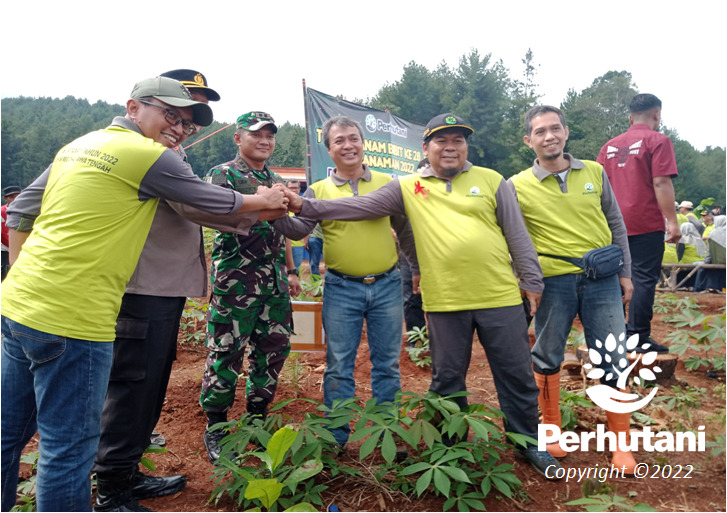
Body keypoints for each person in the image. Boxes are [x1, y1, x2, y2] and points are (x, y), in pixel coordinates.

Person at [0, 77, 287, 512]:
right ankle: (113, 491)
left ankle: (122, 477)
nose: (180, 126)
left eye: (189, 121)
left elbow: (20, 212)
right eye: (173, 113)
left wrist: (23, 279)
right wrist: (262, 200)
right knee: (69, 448)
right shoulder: (150, 155)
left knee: (10, 433)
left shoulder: (81, 145)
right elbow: (203, 202)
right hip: (83, 312)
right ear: (134, 108)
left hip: (20, 305)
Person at [283, 113, 562, 478]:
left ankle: (527, 443)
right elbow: (359, 207)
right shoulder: (408, 186)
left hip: (499, 296)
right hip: (443, 300)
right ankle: (450, 446)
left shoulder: (491, 180)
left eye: (458, 140)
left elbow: (517, 233)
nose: (450, 147)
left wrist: (532, 280)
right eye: (441, 141)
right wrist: (300, 205)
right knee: (447, 379)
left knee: (515, 374)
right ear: (425, 147)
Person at [274, 116, 414, 449]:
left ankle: (385, 433)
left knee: (387, 362)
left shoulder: (388, 183)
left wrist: (417, 267)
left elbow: (405, 230)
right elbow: (298, 231)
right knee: (339, 364)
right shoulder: (317, 191)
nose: (348, 145)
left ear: (363, 144)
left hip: (387, 285)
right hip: (341, 288)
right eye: (339, 141)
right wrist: (276, 209)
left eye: (354, 138)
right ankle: (336, 437)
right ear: (329, 150)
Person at [510, 105, 637, 474]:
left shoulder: (595, 172)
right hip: (553, 282)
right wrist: (526, 281)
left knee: (613, 356)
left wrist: (626, 273)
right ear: (528, 140)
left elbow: (616, 223)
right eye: (540, 132)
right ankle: (551, 429)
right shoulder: (517, 185)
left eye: (555, 129)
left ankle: (621, 444)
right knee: (547, 354)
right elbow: (514, 238)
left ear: (566, 132)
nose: (549, 136)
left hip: (603, 281)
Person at [200, 111, 301, 464]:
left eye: (270, 135)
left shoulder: (276, 179)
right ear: (238, 137)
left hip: (272, 284)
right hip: (235, 283)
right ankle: (216, 426)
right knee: (226, 353)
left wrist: (291, 271)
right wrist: (263, 203)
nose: (265, 140)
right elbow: (216, 216)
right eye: (257, 133)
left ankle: (257, 419)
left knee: (272, 351)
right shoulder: (222, 174)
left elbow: (285, 228)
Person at [597, 94, 680, 354]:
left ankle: (612, 334)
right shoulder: (658, 140)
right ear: (657, 115)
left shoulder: (609, 146)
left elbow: (599, 187)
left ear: (630, 117)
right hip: (644, 221)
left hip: (610, 222)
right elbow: (661, 182)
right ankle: (638, 335)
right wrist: (673, 221)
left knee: (612, 277)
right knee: (643, 278)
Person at [1, 185, 22, 281]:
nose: (15, 199)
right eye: (12, 197)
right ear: (5, 198)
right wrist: (14, 246)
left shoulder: (25, 211)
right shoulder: (2, 212)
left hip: (21, 247)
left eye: (17, 196)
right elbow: (3, 233)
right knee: (4, 273)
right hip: (5, 249)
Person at [285, 180, 307, 270]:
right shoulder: (283, 202)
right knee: (284, 269)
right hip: (284, 244)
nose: (293, 190)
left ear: (299, 189)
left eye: (295, 188)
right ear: (286, 188)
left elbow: (308, 222)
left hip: (298, 244)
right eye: (291, 188)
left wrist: (306, 240)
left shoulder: (304, 203)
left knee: (296, 268)